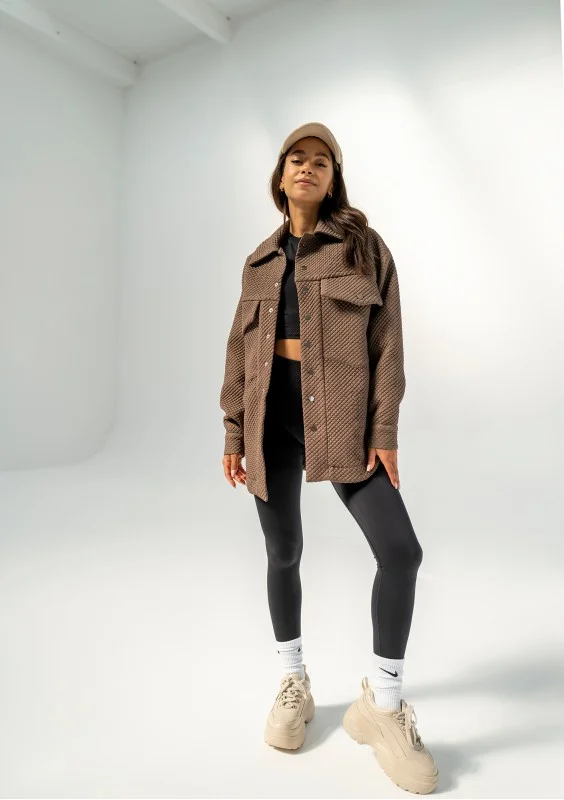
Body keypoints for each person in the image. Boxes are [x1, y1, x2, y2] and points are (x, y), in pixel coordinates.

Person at [219, 122, 438, 794]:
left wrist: (384, 429)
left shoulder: (364, 248)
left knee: (399, 552)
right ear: (281, 175)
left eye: (322, 161)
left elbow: (389, 343)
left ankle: (383, 705)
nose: (308, 167)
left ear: (334, 177)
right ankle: (294, 683)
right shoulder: (259, 261)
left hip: (342, 424)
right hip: (269, 423)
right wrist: (233, 432)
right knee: (282, 552)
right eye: (297, 158)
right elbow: (238, 351)